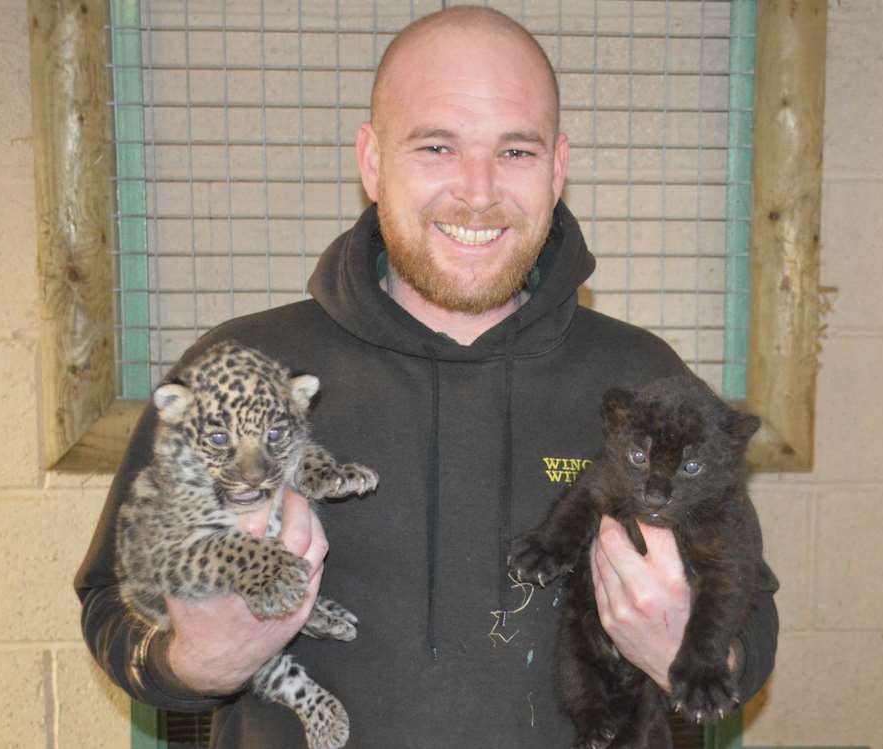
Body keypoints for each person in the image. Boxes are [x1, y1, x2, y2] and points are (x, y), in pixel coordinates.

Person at [76, 6, 778, 747]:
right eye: (437, 146)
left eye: (515, 152)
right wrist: (195, 659)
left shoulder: (642, 382)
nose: (477, 191)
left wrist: (688, 646)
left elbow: (752, 618)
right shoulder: (243, 370)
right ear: (372, 161)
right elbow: (109, 600)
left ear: (558, 167)